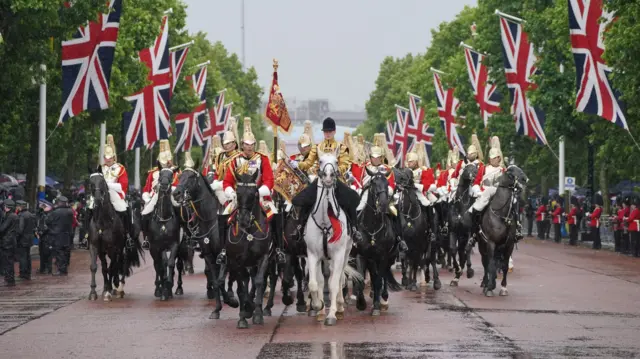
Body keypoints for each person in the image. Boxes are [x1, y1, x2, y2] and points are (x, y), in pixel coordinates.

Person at [290, 117, 362, 244]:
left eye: (330, 131)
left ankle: (355, 228)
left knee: (351, 199)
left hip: (336, 180)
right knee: (305, 198)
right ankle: (300, 227)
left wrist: (336, 171)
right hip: (321, 180)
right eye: (326, 131)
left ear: (334, 132)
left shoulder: (341, 147)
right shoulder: (317, 147)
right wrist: (297, 165)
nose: (328, 134)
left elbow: (345, 164)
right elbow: (308, 163)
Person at [222, 117, 284, 264]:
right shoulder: (234, 160)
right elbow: (227, 181)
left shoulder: (262, 159)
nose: (249, 147)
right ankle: (224, 250)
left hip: (259, 196)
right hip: (240, 197)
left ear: (255, 145)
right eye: (246, 144)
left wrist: (260, 192)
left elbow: (269, 180)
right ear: (242, 144)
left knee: (275, 215)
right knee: (223, 215)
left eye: (251, 145)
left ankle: (278, 249)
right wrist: (231, 193)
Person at [355, 143, 407, 252]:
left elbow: (392, 183)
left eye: (378, 157)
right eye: (373, 157)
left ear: (382, 158)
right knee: (357, 208)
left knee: (395, 211)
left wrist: (389, 190)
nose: (375, 160)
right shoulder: (365, 167)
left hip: (384, 194)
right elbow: (359, 182)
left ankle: (399, 238)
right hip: (368, 193)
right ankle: (354, 234)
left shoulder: (387, 168)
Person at [141, 139, 180, 235]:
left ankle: (185, 236)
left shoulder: (176, 172)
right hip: (157, 195)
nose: (165, 164)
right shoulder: (152, 173)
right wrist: (146, 197)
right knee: (145, 213)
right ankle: (146, 236)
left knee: (180, 211)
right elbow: (147, 188)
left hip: (171, 195)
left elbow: (178, 186)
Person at [102, 134, 134, 241]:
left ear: (114, 157)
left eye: (110, 158)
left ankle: (128, 234)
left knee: (125, 209)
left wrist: (108, 185)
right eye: (106, 158)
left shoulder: (120, 168)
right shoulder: (101, 169)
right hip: (101, 193)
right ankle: (87, 235)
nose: (108, 160)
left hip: (116, 193)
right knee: (89, 208)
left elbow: (122, 186)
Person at [44, 196, 74, 275]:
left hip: (57, 234)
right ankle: (64, 269)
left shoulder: (55, 212)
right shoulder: (70, 211)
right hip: (67, 234)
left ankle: (61, 270)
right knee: (65, 251)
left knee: (59, 252)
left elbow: (47, 221)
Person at [16, 200, 36, 280]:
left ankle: (23, 274)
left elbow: (20, 229)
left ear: (20, 207)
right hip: (29, 238)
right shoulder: (30, 214)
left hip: (23, 239)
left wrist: (16, 236)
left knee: (23, 257)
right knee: (28, 256)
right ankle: (28, 272)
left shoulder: (22, 215)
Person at [0, 199, 18, 286]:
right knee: (9, 261)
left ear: (7, 207)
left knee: (7, 261)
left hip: (7, 241)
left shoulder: (10, 216)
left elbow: (2, 229)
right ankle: (10, 279)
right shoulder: (14, 215)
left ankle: (10, 280)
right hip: (11, 241)